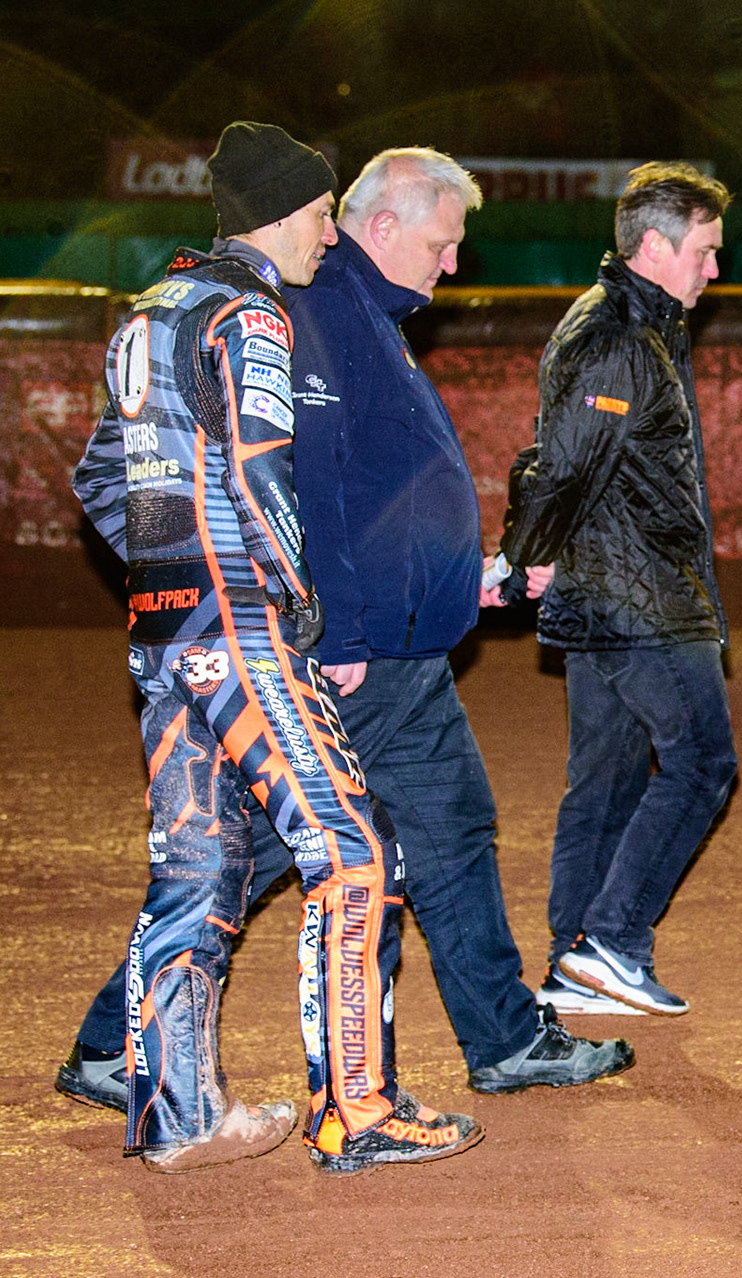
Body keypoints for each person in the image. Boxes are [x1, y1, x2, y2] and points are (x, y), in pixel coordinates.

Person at [57, 148, 633, 1114]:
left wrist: (468, 583)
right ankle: (125, 1046)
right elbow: (302, 492)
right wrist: (321, 628)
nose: (453, 265)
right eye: (444, 244)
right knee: (260, 850)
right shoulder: (310, 313)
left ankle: (503, 1036)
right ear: (382, 224)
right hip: (347, 655)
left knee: (447, 829)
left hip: (396, 651)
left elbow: (382, 499)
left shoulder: (358, 316)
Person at [69, 121, 481, 1173]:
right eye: (318, 215)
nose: (327, 237)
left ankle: (176, 1114)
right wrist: (289, 605)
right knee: (354, 853)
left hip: (164, 639)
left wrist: (169, 577)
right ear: (285, 213)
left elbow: (98, 484)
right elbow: (263, 477)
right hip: (243, 627)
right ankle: (358, 1109)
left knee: (198, 870)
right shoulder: (253, 314)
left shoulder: (148, 312)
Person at [497, 162, 738, 1017]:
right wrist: (520, 555)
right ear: (655, 245)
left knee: (604, 781)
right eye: (705, 252)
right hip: (639, 600)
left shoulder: (633, 328)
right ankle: (610, 942)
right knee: (704, 764)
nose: (715, 269)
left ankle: (576, 962)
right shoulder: (618, 339)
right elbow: (560, 466)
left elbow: (566, 464)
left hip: (607, 590)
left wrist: (535, 553)